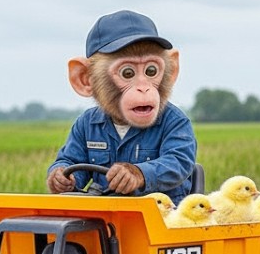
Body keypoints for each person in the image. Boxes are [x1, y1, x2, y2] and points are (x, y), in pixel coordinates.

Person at [46, 10, 197, 205]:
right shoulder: (87, 124)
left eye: (151, 70)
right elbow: (71, 161)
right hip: (107, 215)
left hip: (162, 217)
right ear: (86, 79)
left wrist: (140, 173)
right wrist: (61, 176)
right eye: (127, 73)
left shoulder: (174, 121)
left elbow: (179, 162)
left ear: (171, 70)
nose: (143, 87)